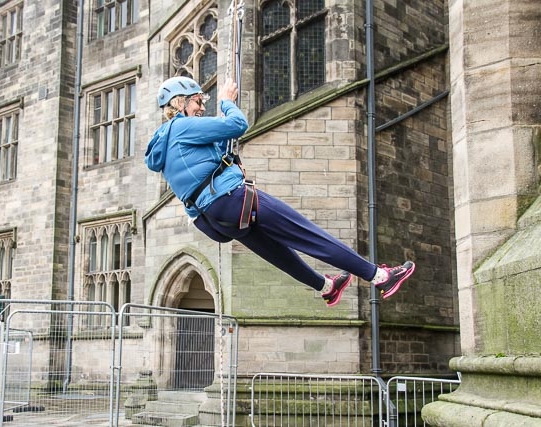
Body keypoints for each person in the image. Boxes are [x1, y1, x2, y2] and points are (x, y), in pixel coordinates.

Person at [145, 76, 415, 307]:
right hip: (232, 199)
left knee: (277, 253)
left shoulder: (164, 145)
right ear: (179, 103)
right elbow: (238, 125)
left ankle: (325, 287)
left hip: (215, 220)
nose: (202, 107)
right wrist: (227, 101)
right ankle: (380, 276)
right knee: (307, 234)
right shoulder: (181, 126)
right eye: (198, 101)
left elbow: (207, 162)